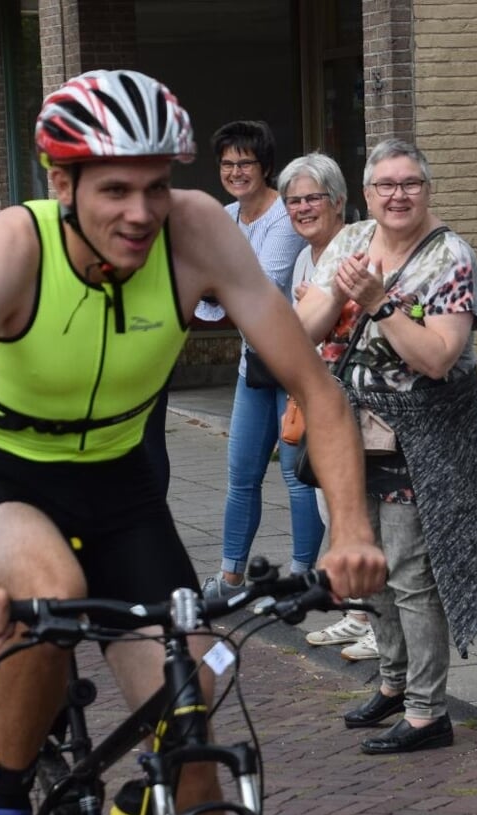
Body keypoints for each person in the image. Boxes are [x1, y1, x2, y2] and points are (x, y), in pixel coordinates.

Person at [0, 69, 384, 815]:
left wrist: (349, 531)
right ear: (62, 184)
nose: (140, 211)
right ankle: (5, 812)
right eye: (114, 189)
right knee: (48, 588)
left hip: (121, 488)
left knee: (196, 737)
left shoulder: (197, 234)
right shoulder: (11, 250)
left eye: (156, 186)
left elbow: (318, 388)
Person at [297, 139, 477, 755]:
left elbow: (437, 358)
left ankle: (430, 713)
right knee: (368, 567)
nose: (397, 196)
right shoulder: (350, 243)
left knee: (409, 571)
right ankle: (394, 683)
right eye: (385, 186)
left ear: (427, 190)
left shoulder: (450, 257)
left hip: (423, 437)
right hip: (354, 431)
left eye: (409, 184)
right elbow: (307, 330)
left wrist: (378, 303)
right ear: (367, 193)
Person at [196, 121, 323, 604]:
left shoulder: (285, 218)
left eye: (245, 162)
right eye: (227, 164)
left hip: (292, 365)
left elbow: (264, 286)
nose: (236, 172)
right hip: (254, 364)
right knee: (241, 474)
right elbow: (208, 300)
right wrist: (218, 282)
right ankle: (230, 578)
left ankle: (301, 576)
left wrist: (215, 277)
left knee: (295, 475)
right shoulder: (224, 218)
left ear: (264, 166)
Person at [281, 152, 380, 662]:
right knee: (328, 502)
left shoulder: (359, 248)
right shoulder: (305, 257)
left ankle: (379, 623)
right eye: (293, 201)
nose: (302, 209)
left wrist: (327, 307)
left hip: (361, 398)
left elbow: (373, 314)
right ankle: (359, 612)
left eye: (312, 198)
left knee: (360, 506)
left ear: (340, 201)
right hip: (322, 393)